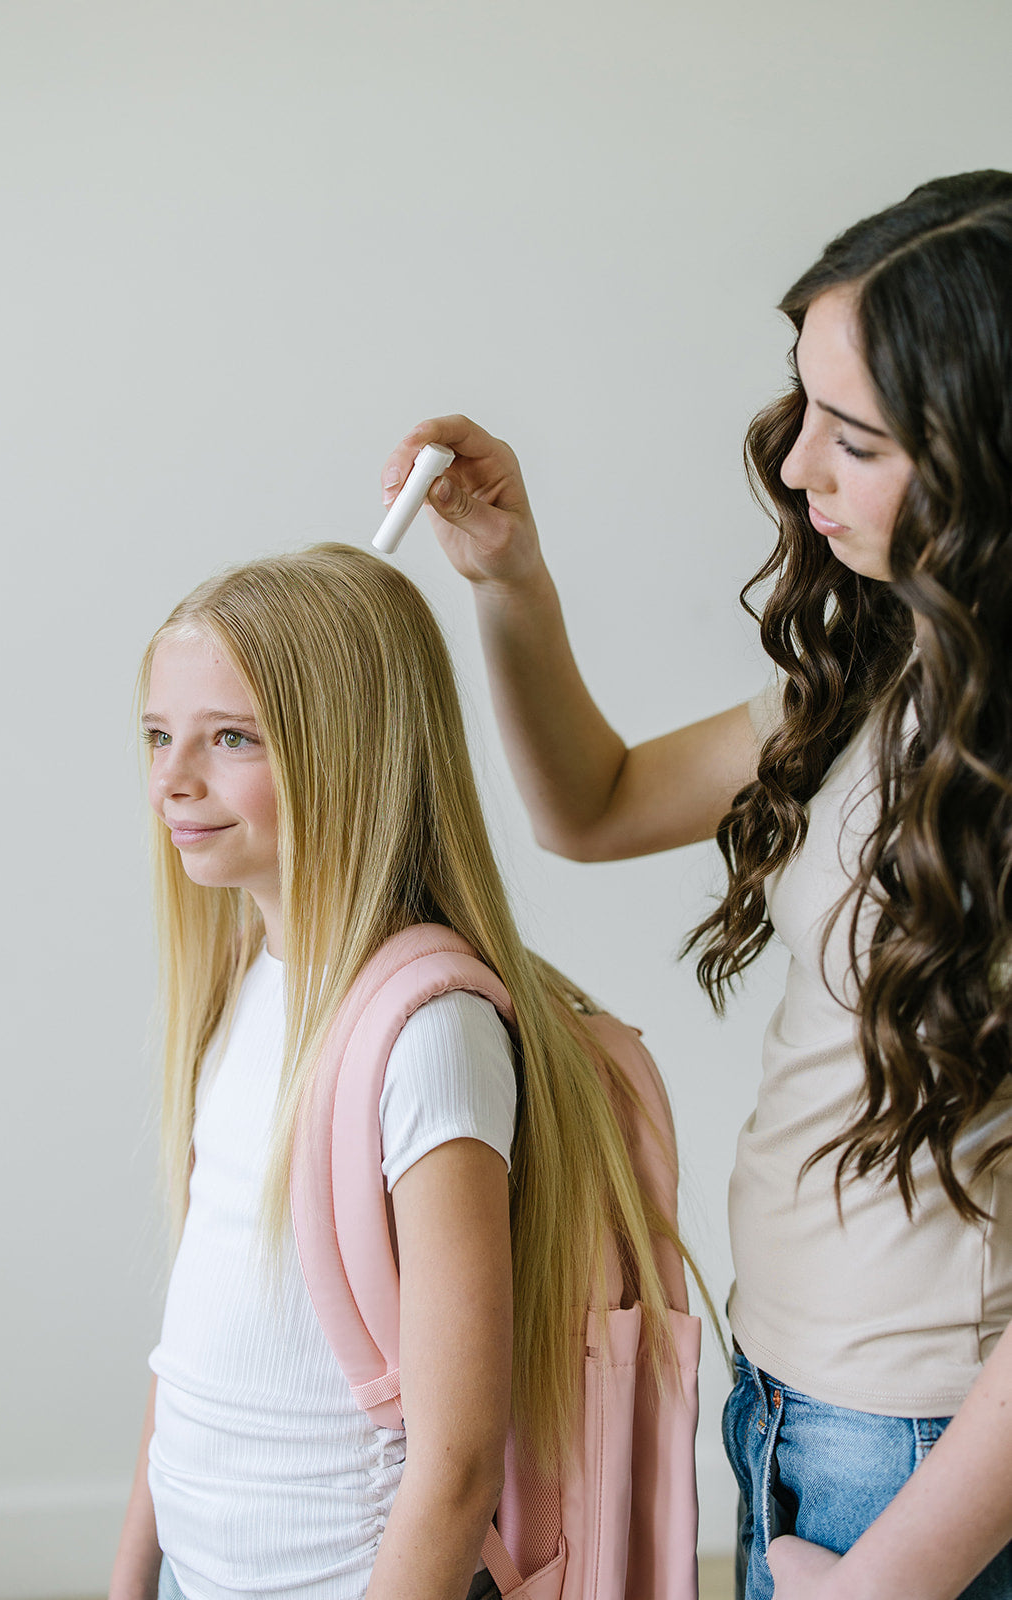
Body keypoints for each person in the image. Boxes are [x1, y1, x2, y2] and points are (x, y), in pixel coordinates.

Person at [379, 171, 1012, 1600]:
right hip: (789, 1400)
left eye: (853, 440)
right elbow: (591, 805)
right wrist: (508, 578)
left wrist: (898, 1573)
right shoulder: (886, 680)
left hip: (925, 1458)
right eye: (802, 413)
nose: (795, 471)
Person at [108, 543, 688, 1600]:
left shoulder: (430, 1034)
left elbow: (457, 1463)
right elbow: (190, 1349)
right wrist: (130, 1575)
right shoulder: (240, 987)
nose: (170, 779)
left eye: (229, 737)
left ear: (348, 751)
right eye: (157, 735)